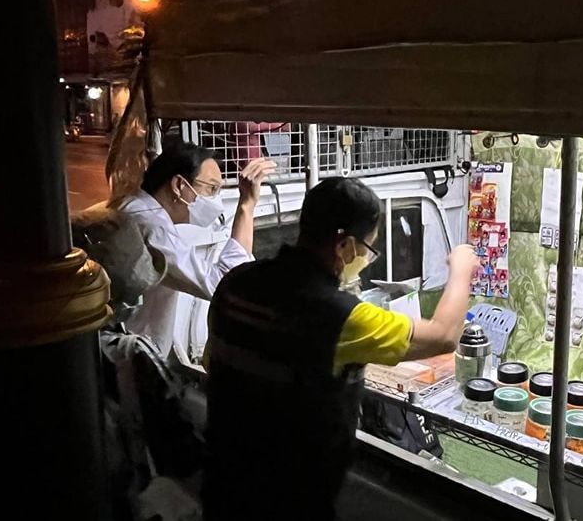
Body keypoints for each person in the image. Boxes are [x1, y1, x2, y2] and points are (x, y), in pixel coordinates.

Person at [203, 177, 479, 520]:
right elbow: (443, 335)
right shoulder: (342, 317)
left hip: (223, 483)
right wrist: (462, 270)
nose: (364, 258)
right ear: (345, 246)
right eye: (367, 249)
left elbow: (212, 364)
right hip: (291, 500)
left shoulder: (234, 282)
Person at [117, 139, 275, 358]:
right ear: (179, 186)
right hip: (132, 356)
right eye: (211, 189)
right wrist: (247, 206)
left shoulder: (134, 208)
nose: (214, 200)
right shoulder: (150, 226)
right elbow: (222, 284)